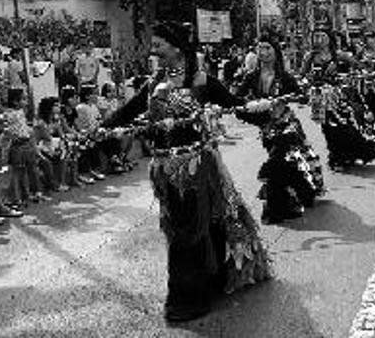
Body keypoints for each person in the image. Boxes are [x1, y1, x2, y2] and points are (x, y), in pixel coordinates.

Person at [102, 21, 272, 322]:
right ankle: (211, 280)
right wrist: (100, 130)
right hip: (166, 171)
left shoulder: (201, 80)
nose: (154, 50)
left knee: (189, 232)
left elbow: (235, 105)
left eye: (159, 44)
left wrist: (264, 112)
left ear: (176, 47)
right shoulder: (155, 83)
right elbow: (128, 111)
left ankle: (188, 299)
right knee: (188, 230)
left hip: (196, 168)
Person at [235, 37, 325, 224]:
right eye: (260, 48)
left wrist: (286, 98)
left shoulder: (284, 76)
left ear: (275, 51)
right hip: (268, 129)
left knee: (278, 163)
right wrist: (251, 106)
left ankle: (276, 208)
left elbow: (302, 96)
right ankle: (298, 194)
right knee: (286, 164)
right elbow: (237, 100)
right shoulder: (251, 76)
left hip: (287, 125)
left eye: (267, 48)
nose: (263, 52)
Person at [301, 25, 375, 171]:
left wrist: (363, 68)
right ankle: (336, 157)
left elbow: (357, 65)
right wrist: (307, 82)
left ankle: (351, 153)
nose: (318, 39)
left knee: (344, 125)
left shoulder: (338, 55)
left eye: (322, 36)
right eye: (316, 36)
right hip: (318, 97)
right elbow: (302, 76)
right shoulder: (309, 57)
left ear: (329, 39)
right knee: (328, 128)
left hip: (337, 94)